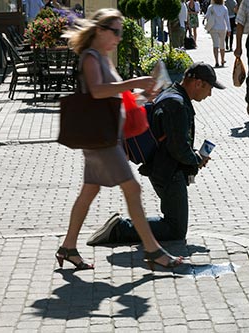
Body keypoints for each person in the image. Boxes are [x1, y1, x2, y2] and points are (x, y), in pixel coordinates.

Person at [57, 8, 182, 271]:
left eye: (120, 32)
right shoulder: (91, 57)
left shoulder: (103, 57)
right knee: (132, 189)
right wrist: (133, 82)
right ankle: (153, 250)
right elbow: (98, 91)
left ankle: (68, 247)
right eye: (115, 32)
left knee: (88, 192)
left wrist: (140, 98)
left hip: (105, 137)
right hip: (101, 141)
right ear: (100, 30)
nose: (119, 37)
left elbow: (115, 100)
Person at [86, 62, 225, 247]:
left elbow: (172, 140)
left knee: (174, 224)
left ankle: (123, 227)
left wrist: (193, 158)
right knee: (175, 229)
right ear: (198, 83)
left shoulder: (171, 95)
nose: (209, 94)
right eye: (209, 88)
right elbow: (178, 148)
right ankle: (121, 228)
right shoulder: (177, 104)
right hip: (168, 172)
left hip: (161, 168)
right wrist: (196, 159)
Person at [206, 0, 231, 67]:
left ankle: (216, 61)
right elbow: (227, 19)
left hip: (213, 28)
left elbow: (207, 16)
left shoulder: (211, 7)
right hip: (222, 28)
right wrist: (229, 29)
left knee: (215, 44)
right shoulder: (224, 8)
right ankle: (222, 60)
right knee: (222, 44)